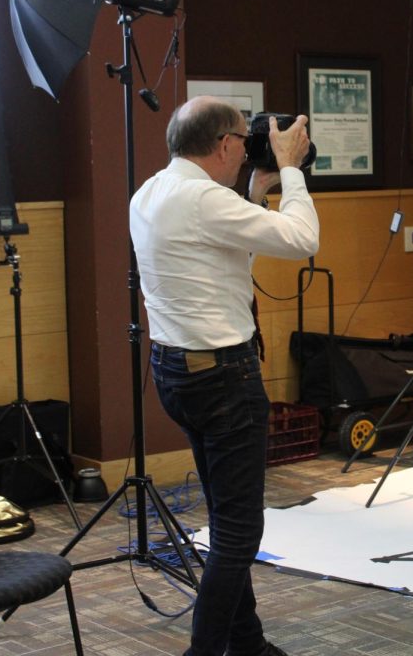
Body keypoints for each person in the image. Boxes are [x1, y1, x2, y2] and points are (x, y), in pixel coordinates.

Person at [130, 96, 319, 656]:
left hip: (176, 374)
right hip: (223, 381)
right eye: (243, 136)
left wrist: (256, 191)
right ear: (222, 145)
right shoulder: (204, 199)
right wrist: (289, 167)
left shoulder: (151, 192)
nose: (247, 145)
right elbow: (303, 239)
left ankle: (248, 643)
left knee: (225, 516)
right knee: (240, 531)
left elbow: (221, 254)